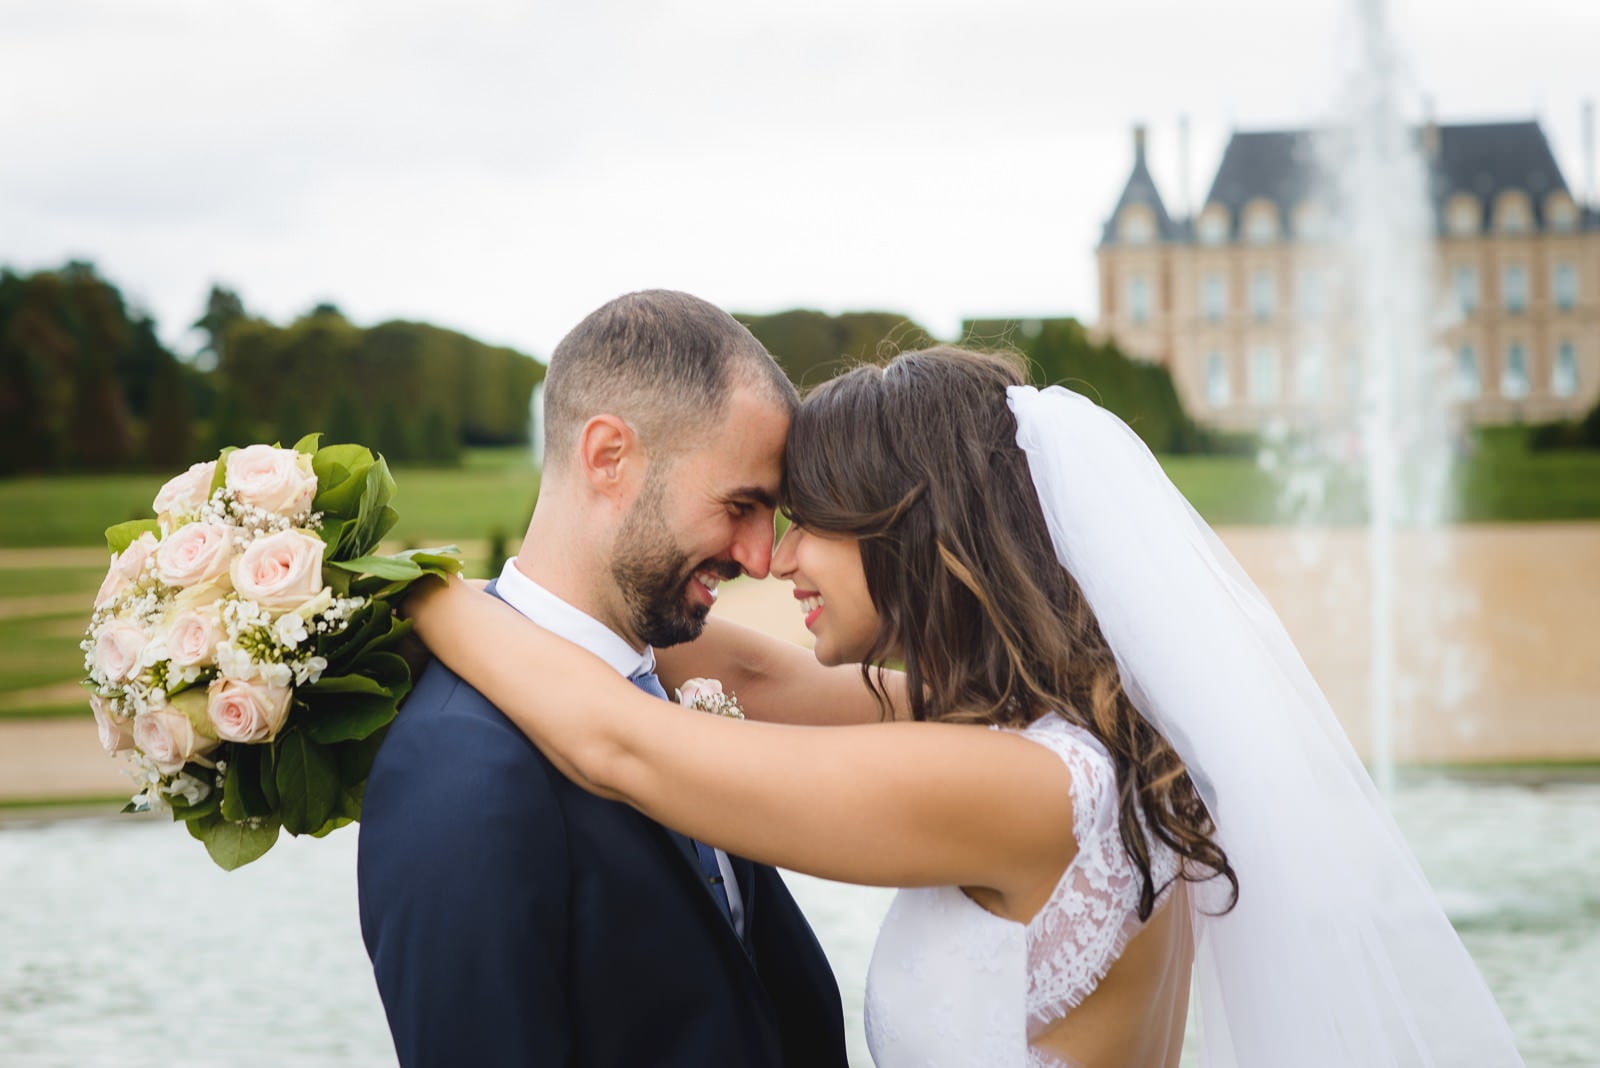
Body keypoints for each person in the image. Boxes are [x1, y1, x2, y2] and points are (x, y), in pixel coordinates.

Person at [406, 346, 1526, 1066]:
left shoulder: (1016, 788)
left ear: (912, 531)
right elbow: (751, 682)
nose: (776, 554)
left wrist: (398, 592)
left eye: (810, 519)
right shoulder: (1043, 724)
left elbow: (622, 748)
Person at [356, 290, 849, 1067]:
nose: (760, 557)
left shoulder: (673, 685)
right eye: (741, 505)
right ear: (609, 457)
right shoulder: (460, 769)